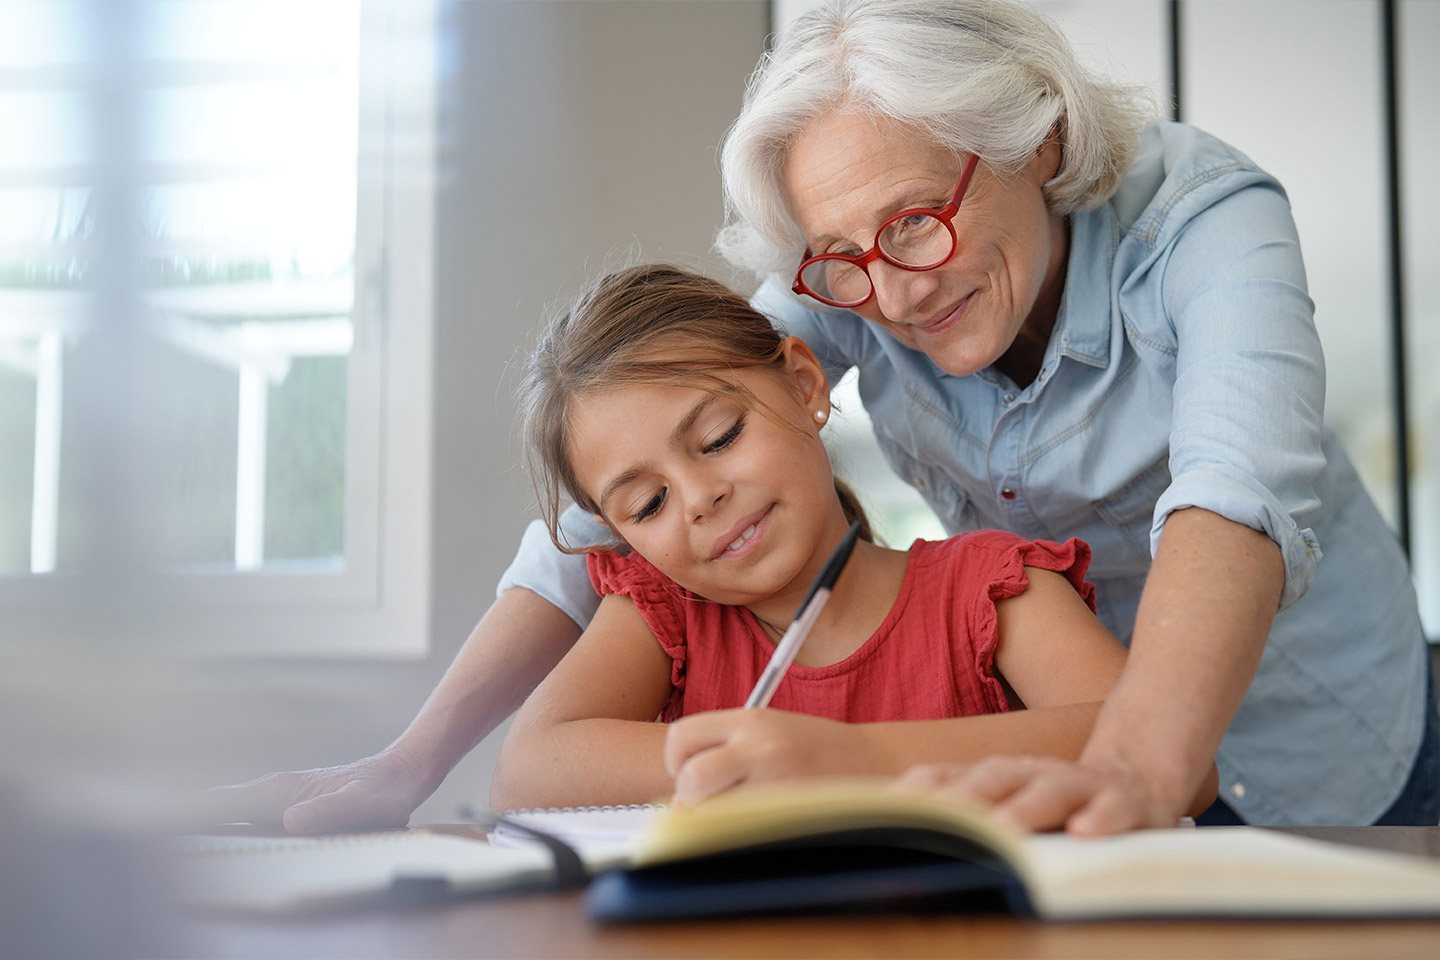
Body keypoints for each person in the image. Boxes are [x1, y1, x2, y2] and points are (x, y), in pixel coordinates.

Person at [202, 0, 1436, 836]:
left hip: (1329, 738)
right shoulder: (848, 272)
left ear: (1036, 135)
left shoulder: (1205, 226)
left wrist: (1132, 762)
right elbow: (607, 503)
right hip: (1079, 755)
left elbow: (1234, 490)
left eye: (915, 221)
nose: (893, 288)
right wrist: (402, 767)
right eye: (841, 257)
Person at [488, 264, 1161, 812]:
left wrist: (838, 761)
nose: (700, 499)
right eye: (648, 503)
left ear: (806, 385)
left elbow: (1165, 754)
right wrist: (767, 762)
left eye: (720, 437)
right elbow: (525, 772)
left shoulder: (993, 592)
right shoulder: (664, 619)